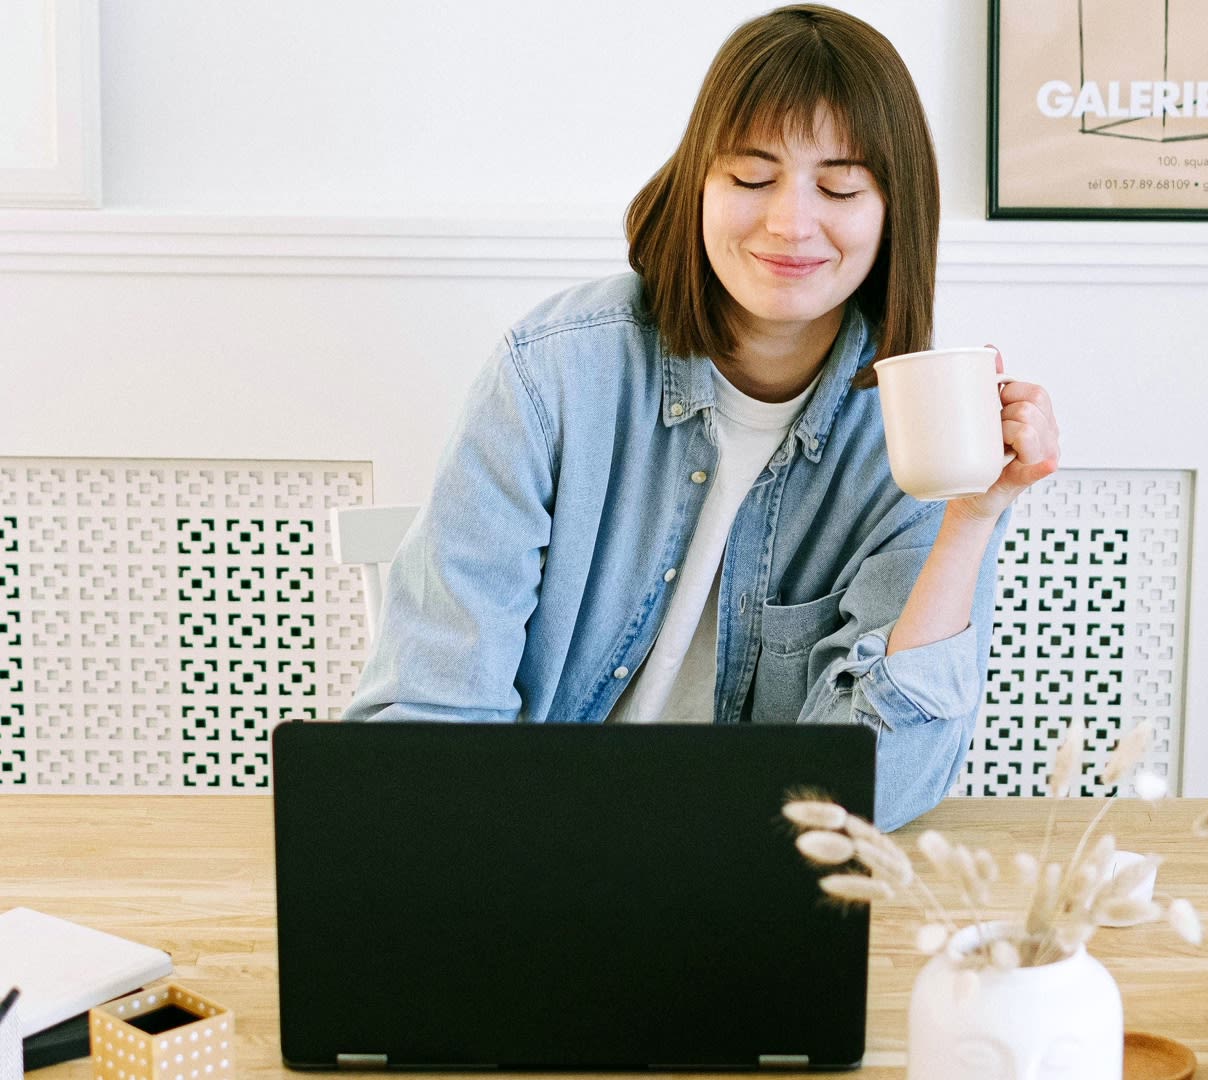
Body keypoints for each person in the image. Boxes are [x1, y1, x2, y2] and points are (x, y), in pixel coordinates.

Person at [344, 4, 1059, 830]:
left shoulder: (924, 429)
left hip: (753, 875)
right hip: (529, 844)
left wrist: (970, 518)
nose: (790, 223)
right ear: (697, 184)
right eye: (751, 177)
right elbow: (431, 725)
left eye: (839, 185)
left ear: (894, 210)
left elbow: (875, 791)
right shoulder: (553, 373)